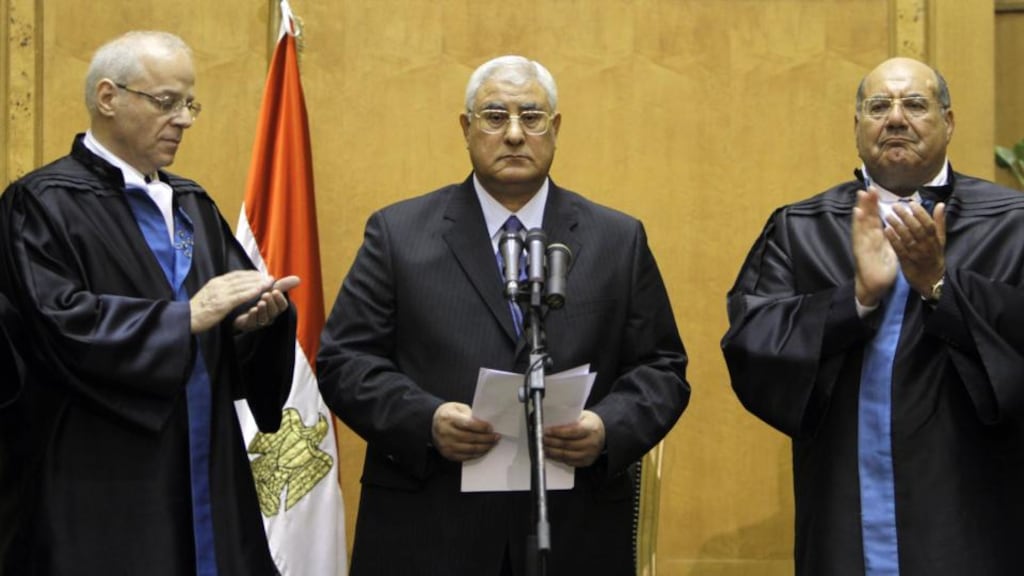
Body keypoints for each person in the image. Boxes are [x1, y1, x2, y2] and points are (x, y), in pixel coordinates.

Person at [318, 55, 690, 575]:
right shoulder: (397, 234)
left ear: (555, 128)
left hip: (573, 532)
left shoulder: (617, 240)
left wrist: (607, 427)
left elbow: (662, 369)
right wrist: (425, 421)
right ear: (466, 129)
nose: (514, 133)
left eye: (532, 117)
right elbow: (344, 362)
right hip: (431, 530)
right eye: (495, 116)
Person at [0, 31, 299, 575]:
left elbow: (227, 318)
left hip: (207, 460)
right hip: (100, 474)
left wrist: (254, 324)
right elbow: (57, 326)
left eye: (189, 104)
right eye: (167, 102)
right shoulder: (42, 204)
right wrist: (186, 317)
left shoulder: (192, 203)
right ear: (108, 97)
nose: (183, 118)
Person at [722, 56, 1024, 576]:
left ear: (948, 122)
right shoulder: (801, 228)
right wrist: (855, 299)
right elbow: (751, 344)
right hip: (844, 506)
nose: (896, 118)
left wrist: (940, 286)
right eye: (878, 106)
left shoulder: (1012, 223)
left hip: (971, 509)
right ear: (857, 126)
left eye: (915, 104)